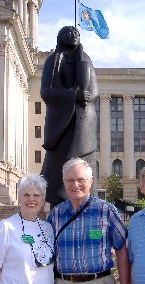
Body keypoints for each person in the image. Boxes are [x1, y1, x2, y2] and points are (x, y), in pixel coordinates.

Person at [47, 157, 129, 284]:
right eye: (70, 180)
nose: (75, 185)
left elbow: (122, 250)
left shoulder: (106, 211)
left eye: (81, 180)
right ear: (64, 182)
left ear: (91, 182)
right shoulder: (56, 215)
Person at [40, 26, 98, 206]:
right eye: (69, 32)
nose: (74, 35)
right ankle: (59, 199)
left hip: (82, 123)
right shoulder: (53, 60)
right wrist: (74, 96)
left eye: (77, 33)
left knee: (83, 162)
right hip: (60, 124)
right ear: (60, 37)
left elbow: (93, 91)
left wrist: (84, 96)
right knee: (59, 165)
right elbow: (46, 92)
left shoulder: (86, 59)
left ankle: (86, 202)